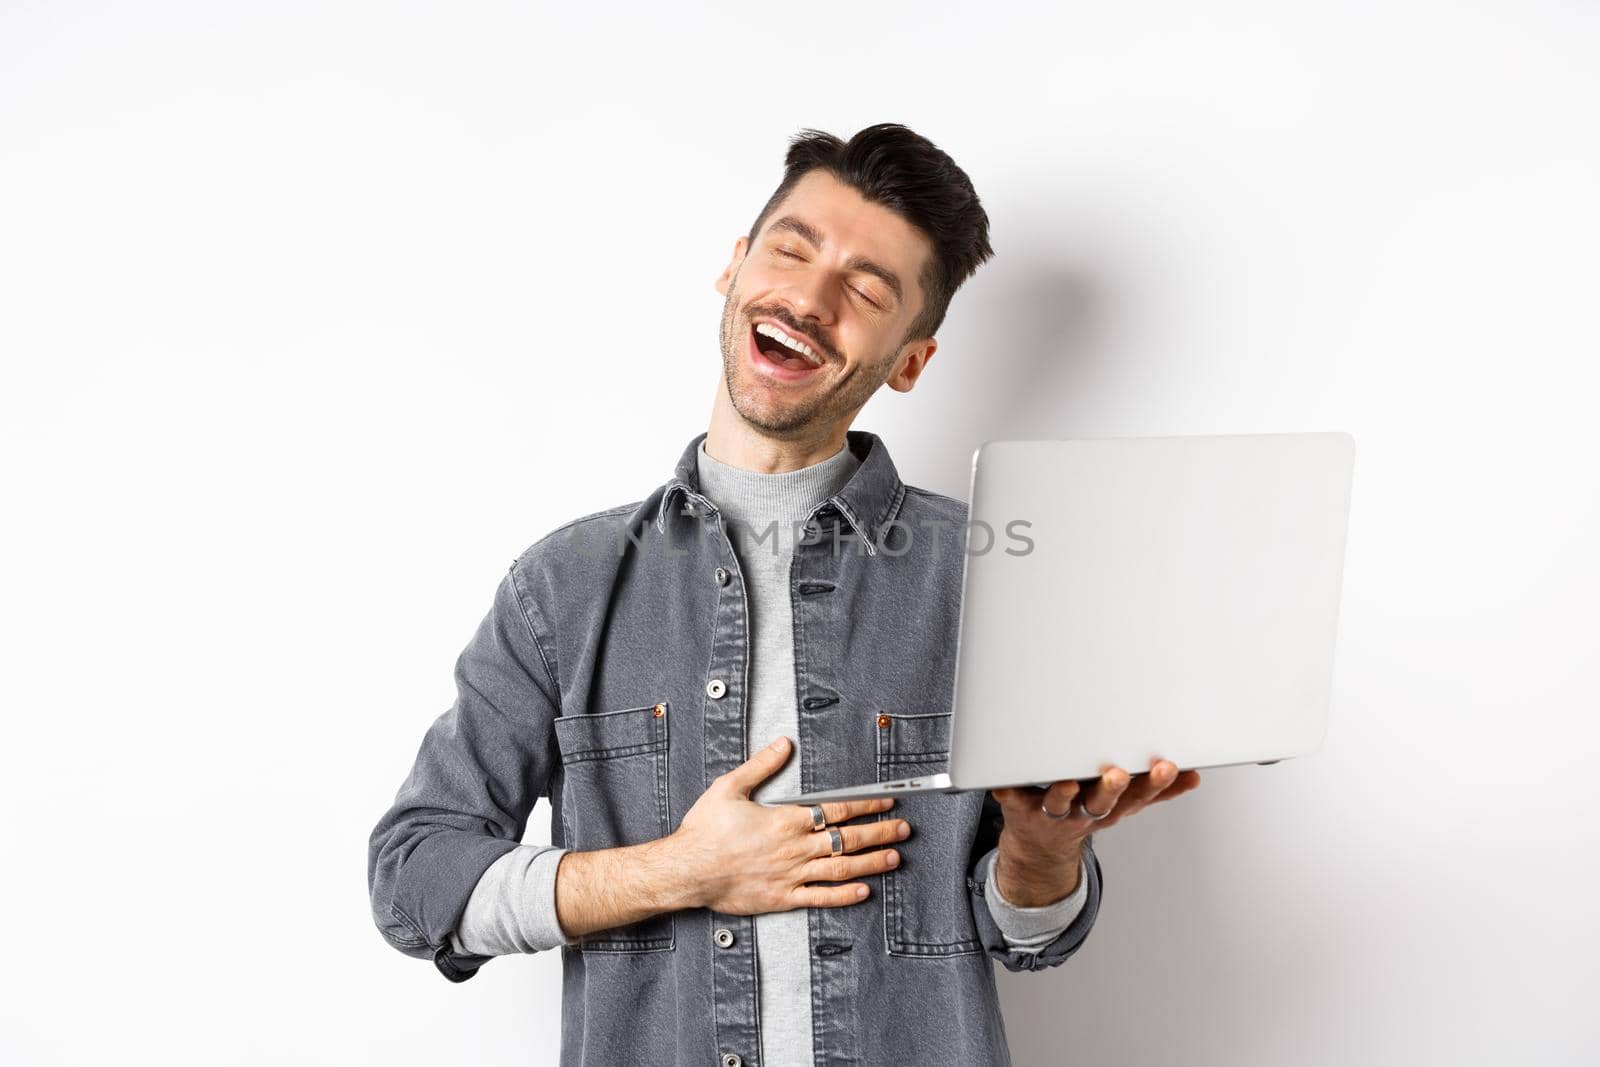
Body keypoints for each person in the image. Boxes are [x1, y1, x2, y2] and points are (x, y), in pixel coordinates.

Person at [366, 122, 1201, 1066]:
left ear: (912, 359)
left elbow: (1028, 934)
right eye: (792, 250)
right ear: (734, 266)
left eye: (864, 288)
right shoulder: (560, 590)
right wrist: (684, 868)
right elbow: (414, 882)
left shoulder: (994, 579)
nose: (807, 298)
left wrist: (1044, 852)